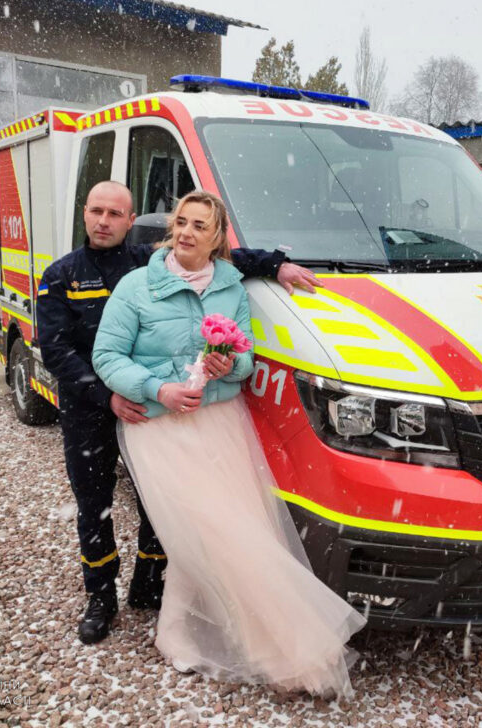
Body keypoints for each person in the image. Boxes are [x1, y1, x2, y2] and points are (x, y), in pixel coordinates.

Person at [92, 191, 365, 697]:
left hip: (220, 422)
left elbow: (246, 357)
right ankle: (265, 640)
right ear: (172, 228)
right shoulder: (136, 286)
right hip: (159, 427)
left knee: (237, 531)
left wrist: (228, 364)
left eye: (201, 226)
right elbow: (107, 356)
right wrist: (158, 389)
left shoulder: (230, 287)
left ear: (218, 239)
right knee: (208, 532)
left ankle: (192, 633)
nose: (188, 233)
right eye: (182, 223)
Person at [38, 180, 320, 645]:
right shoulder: (61, 274)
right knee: (95, 506)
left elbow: (227, 255)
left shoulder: (144, 260)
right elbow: (56, 351)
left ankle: (149, 585)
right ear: (84, 214)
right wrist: (106, 396)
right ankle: (101, 598)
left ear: (133, 222)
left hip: (153, 410)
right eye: (97, 211)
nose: (104, 221)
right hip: (92, 409)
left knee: (161, 502)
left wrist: (277, 264)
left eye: (115, 214)